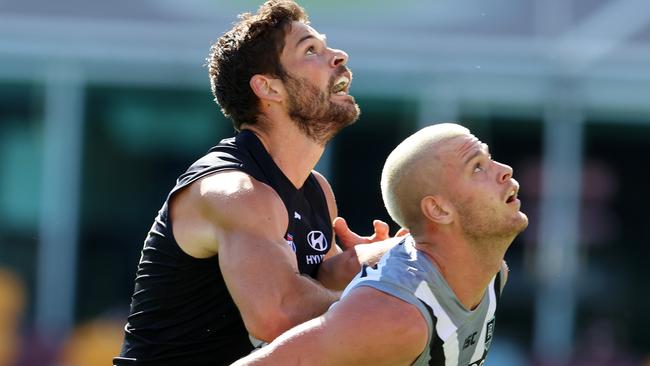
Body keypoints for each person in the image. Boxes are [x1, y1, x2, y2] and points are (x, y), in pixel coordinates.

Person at [113, 1, 399, 365]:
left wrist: (387, 257)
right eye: (311, 50)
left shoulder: (315, 189)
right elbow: (279, 313)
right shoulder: (237, 193)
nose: (339, 55)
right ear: (269, 88)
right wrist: (395, 296)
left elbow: (320, 283)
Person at [231, 123, 530, 366]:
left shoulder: (493, 275)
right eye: (477, 167)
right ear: (438, 210)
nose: (504, 169)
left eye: (489, 159)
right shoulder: (396, 316)